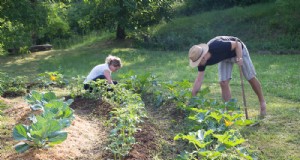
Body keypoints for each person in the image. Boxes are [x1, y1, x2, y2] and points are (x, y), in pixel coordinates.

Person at [188, 36, 266, 116]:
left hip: (238, 51)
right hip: (224, 57)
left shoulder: (217, 46)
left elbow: (237, 44)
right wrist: (192, 98)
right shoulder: (202, 62)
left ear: (203, 57)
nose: (198, 65)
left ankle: (262, 103)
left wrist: (239, 58)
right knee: (223, 82)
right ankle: (229, 113)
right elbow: (198, 80)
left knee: (250, 78)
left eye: (198, 62)